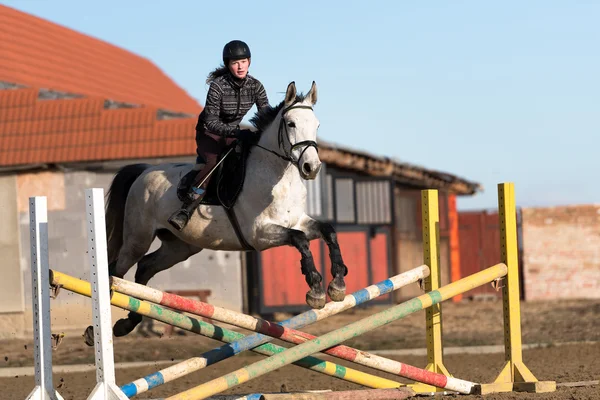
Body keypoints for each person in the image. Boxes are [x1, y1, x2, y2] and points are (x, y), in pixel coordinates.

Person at [168, 40, 270, 230]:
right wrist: (236, 132)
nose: (239, 66)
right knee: (212, 162)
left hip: (233, 132)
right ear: (228, 65)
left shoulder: (256, 86)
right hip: (209, 132)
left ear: (249, 62)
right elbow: (211, 122)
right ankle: (187, 207)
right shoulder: (218, 86)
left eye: (243, 61)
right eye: (234, 62)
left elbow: (265, 116)